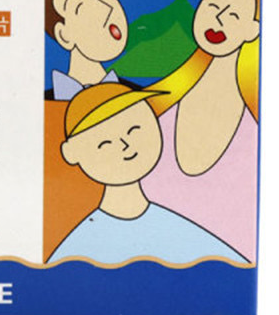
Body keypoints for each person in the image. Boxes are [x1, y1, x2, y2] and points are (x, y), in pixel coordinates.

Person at [48, 83, 247, 264]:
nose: (125, 145)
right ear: (71, 153)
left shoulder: (179, 230)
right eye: (105, 143)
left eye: (135, 130)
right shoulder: (79, 244)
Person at [143, 0, 260, 261]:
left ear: (252, 30)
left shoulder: (254, 124)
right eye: (212, 7)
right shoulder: (160, 103)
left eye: (233, 15)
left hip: (221, 263)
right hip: (142, 250)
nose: (218, 19)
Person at [45, 0, 133, 100]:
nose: (106, 8)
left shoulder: (140, 97)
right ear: (64, 36)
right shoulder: (44, 104)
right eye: (79, 6)